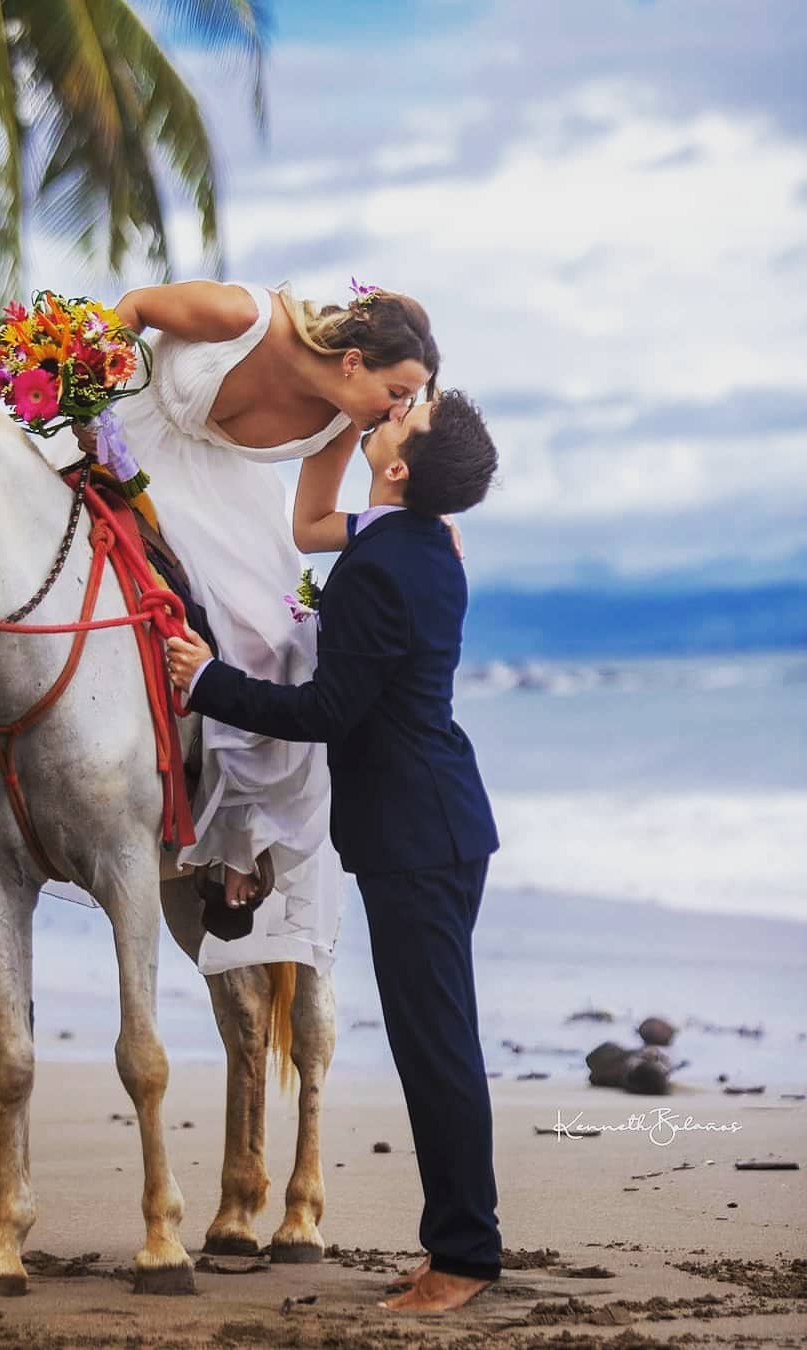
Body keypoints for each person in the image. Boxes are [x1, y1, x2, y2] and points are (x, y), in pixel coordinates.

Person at [0, 280, 453, 977]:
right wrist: (90, 391)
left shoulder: (340, 421)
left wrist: (398, 522)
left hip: (214, 503)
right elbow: (139, 306)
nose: (400, 410)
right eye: (399, 392)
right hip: (114, 437)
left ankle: (237, 838)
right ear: (353, 360)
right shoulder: (245, 316)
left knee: (274, 643)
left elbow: (309, 526)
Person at [165, 389, 502, 1312]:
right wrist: (364, 411)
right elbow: (325, 518)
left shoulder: (385, 564)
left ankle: (465, 1258)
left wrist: (209, 683)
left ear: (396, 469)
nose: (386, 420)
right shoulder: (415, 541)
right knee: (440, 1043)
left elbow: (324, 714)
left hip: (414, 835)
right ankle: (461, 1243)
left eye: (400, 424)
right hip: (434, 824)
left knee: (436, 1049)